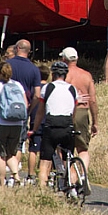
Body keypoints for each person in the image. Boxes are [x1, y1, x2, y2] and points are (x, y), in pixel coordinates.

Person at [33, 61, 79, 194]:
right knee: (68, 159)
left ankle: (42, 192)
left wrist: (35, 129)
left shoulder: (47, 88)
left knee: (45, 161)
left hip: (51, 123)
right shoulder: (72, 89)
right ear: (65, 75)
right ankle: (73, 187)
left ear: (53, 74)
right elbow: (73, 111)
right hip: (67, 124)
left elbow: (40, 112)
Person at [0, 61, 28, 187]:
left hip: (0, 122)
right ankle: (16, 176)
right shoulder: (18, 85)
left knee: (0, 155)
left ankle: (1, 185)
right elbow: (25, 104)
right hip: (17, 124)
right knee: (11, 153)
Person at [61, 46, 98, 170]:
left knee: (64, 146)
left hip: (66, 112)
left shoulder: (64, 75)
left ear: (64, 59)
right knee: (83, 148)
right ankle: (83, 174)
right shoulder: (86, 75)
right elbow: (92, 100)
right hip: (82, 112)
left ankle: (67, 174)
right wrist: (95, 122)